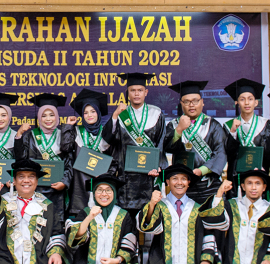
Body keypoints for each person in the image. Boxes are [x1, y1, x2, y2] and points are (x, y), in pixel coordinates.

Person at [106, 72, 167, 212]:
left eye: (140, 90)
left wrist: (159, 166)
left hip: (149, 175)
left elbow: (161, 142)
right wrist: (115, 115)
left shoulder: (156, 113)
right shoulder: (122, 114)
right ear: (127, 93)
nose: (136, 94)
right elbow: (109, 140)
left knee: (150, 214)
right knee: (127, 217)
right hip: (126, 177)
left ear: (146, 92)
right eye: (132, 90)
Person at [164, 80, 228, 204]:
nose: (191, 105)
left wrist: (201, 170)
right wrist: (179, 130)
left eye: (195, 101)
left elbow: (220, 153)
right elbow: (167, 148)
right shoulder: (174, 125)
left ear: (202, 102)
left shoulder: (213, 125)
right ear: (181, 104)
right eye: (186, 102)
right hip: (183, 186)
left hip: (209, 185)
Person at [16, 92, 76, 224]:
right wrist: (19, 135)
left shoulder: (63, 135)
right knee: (34, 223)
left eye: (51, 115)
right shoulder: (30, 136)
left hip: (57, 190)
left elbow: (69, 162)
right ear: (39, 117)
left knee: (55, 224)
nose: (48, 119)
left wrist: (64, 182)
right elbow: (21, 160)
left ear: (57, 116)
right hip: (35, 189)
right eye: (44, 115)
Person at [68, 89, 117, 219]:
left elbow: (114, 161)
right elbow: (65, 148)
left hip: (101, 186)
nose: (89, 115)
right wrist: (68, 127)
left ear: (98, 113)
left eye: (93, 111)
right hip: (79, 186)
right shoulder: (76, 132)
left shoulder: (106, 134)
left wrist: (105, 176)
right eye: (85, 112)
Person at [223, 78, 270, 185]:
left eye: (250, 99)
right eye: (242, 99)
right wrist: (233, 132)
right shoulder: (228, 126)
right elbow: (228, 154)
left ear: (256, 102)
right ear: (237, 102)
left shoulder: (266, 125)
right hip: (236, 177)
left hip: (259, 176)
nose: (247, 103)